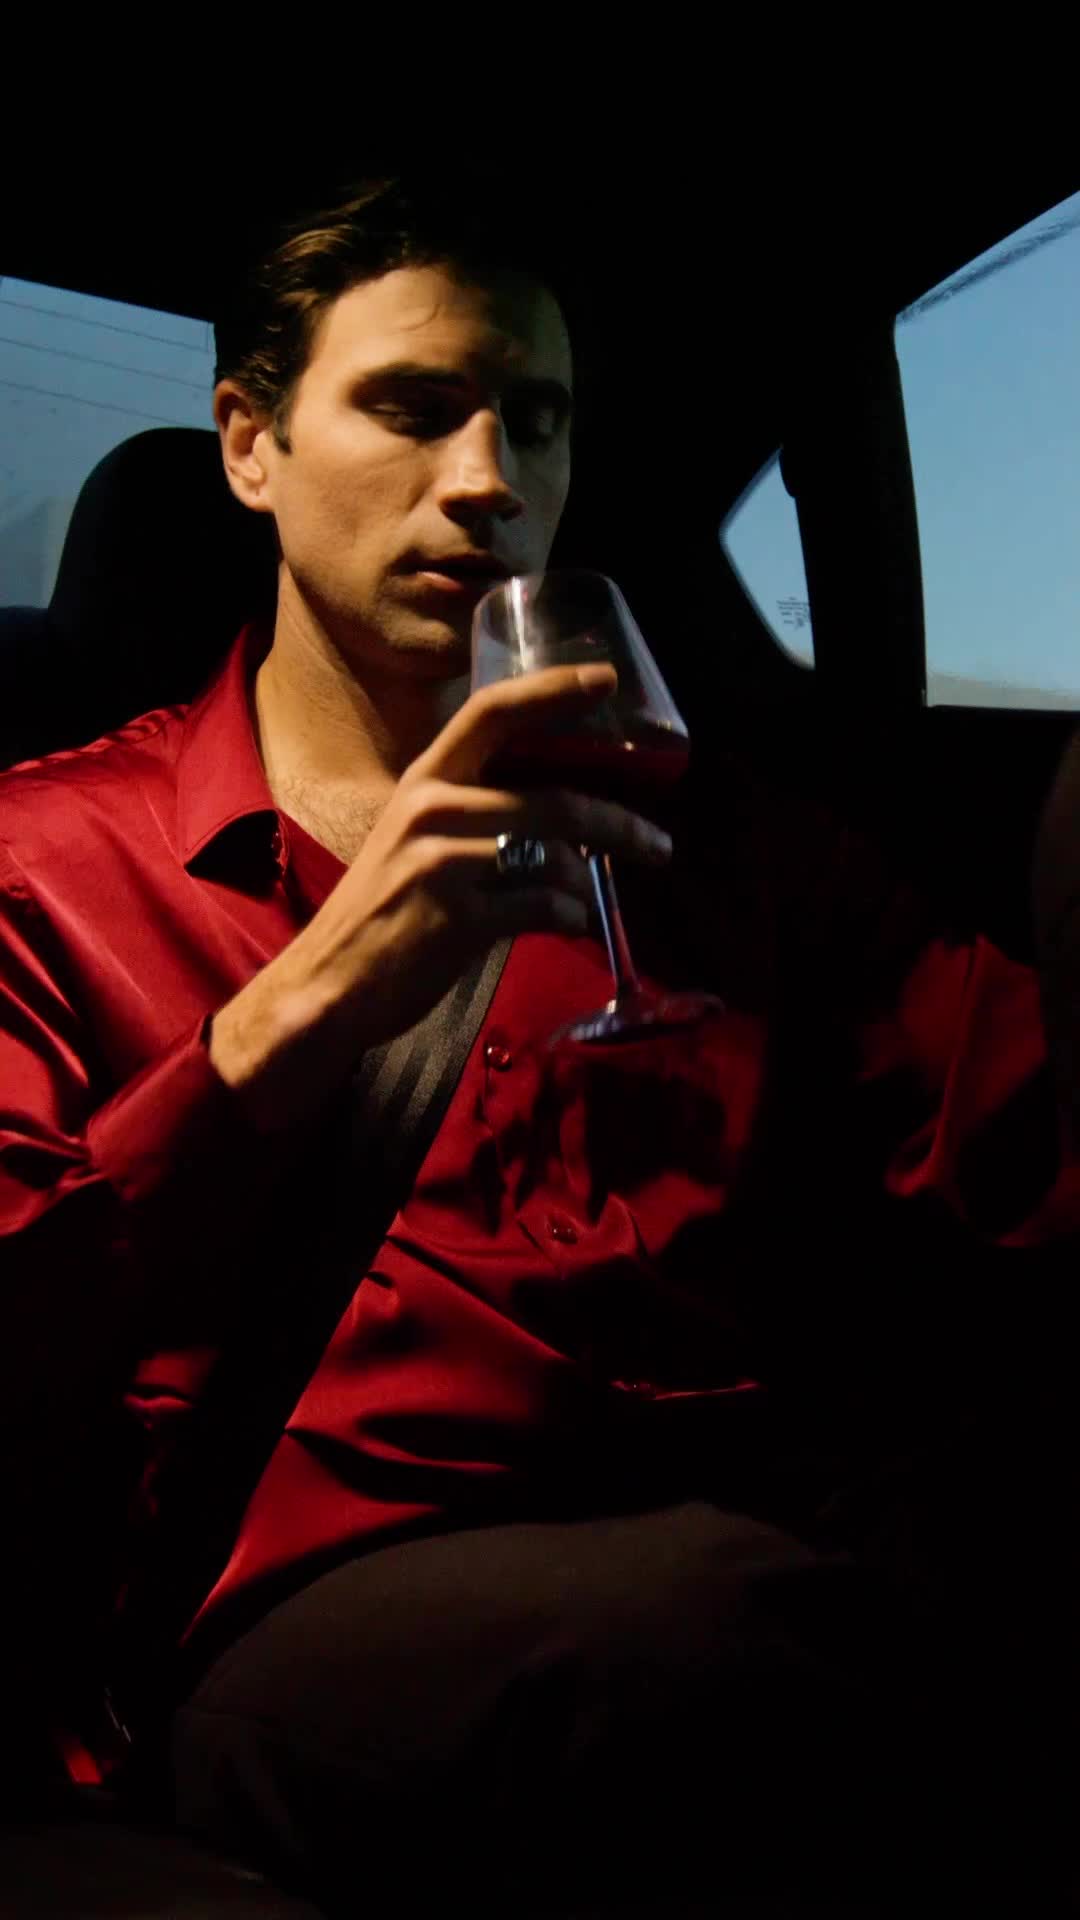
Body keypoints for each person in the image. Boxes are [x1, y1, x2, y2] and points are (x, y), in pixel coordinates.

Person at [0, 177, 1074, 1915]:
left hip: (756, 1525)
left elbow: (1018, 1126)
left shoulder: (718, 845)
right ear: (252, 446)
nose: (493, 477)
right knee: (710, 1655)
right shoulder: (42, 866)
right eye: (416, 407)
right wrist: (296, 1010)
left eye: (540, 420)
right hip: (300, 1599)